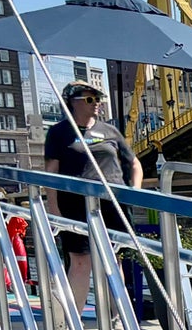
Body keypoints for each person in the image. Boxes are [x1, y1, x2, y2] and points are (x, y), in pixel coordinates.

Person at [43, 81, 141, 309]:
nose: (96, 103)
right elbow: (51, 172)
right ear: (72, 103)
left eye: (98, 99)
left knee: (113, 260)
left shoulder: (110, 131)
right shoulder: (59, 133)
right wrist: (54, 209)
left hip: (111, 202)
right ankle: (72, 321)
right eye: (89, 99)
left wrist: (133, 192)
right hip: (75, 204)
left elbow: (134, 163)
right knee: (79, 262)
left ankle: (118, 316)